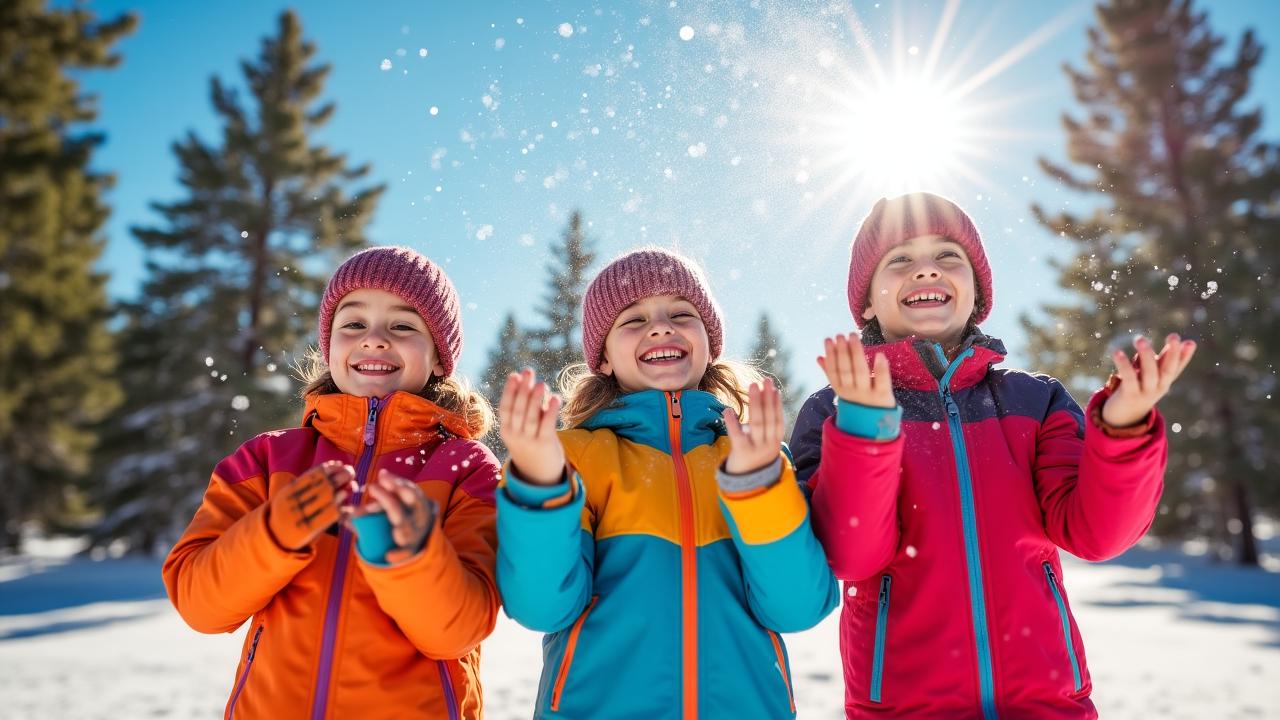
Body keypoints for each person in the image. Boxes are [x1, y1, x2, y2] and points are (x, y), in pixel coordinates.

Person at [793, 192, 1196, 719]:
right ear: (867, 301)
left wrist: (1123, 428)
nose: (925, 271)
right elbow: (852, 556)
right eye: (900, 260)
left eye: (947, 256)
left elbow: (1097, 533)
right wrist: (866, 431)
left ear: (977, 292)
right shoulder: (833, 409)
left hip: (1047, 704)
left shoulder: (1033, 399)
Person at [496, 247, 839, 719]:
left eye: (682, 313)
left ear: (709, 342)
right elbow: (542, 607)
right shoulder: (575, 459)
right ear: (604, 359)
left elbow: (796, 607)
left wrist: (759, 487)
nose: (661, 327)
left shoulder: (751, 458)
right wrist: (538, 481)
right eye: (632, 320)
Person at [162, 246, 502, 719]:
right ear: (330, 346)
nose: (375, 340)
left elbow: (456, 631)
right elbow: (201, 605)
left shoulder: (464, 468)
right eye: (354, 324)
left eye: (403, 326)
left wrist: (409, 557)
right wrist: (273, 535)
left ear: (440, 357)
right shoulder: (269, 458)